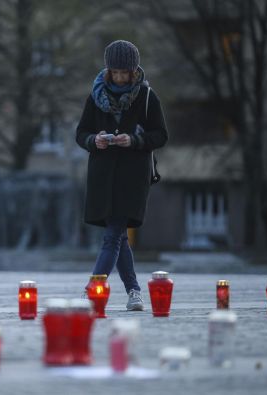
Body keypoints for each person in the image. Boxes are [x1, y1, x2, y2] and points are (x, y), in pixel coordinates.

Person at [75, 40, 168, 311]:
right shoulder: (95, 96)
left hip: (132, 177)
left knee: (113, 234)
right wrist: (96, 140)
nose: (119, 77)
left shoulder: (148, 97)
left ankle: (93, 289)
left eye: (123, 72)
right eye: (114, 72)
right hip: (102, 177)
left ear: (133, 70)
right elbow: (81, 133)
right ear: (108, 70)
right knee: (118, 238)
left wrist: (135, 140)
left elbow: (161, 135)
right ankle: (135, 293)